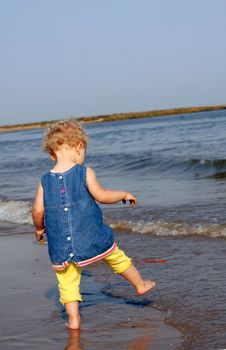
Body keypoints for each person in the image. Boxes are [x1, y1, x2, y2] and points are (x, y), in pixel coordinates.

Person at [32, 120, 156, 330]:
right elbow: (102, 196)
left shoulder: (44, 180)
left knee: (67, 281)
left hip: (61, 245)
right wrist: (123, 194)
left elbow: (37, 211)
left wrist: (39, 228)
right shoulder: (84, 172)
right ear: (79, 147)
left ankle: (73, 319)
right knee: (116, 256)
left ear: (52, 154)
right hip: (91, 236)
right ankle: (140, 284)